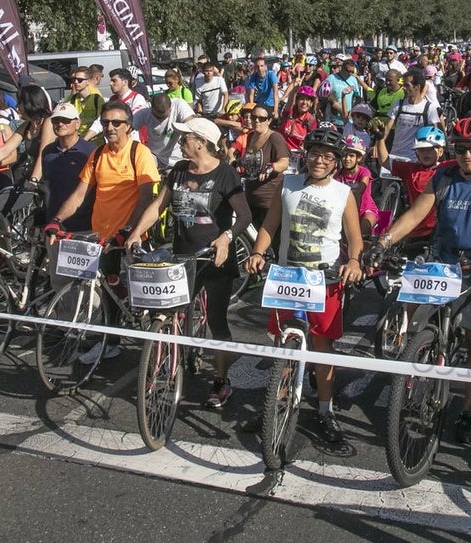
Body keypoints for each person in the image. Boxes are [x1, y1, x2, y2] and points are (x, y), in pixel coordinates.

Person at [372, 117, 471, 447]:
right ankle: (418, 365)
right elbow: (415, 214)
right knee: (420, 322)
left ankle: (467, 411)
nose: (468, 156)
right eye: (462, 149)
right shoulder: (443, 176)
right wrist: (383, 242)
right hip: (444, 263)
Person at [246, 127, 364, 443]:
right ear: (305, 155)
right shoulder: (288, 184)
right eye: (314, 154)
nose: (319, 161)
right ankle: (277, 401)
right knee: (282, 343)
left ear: (337, 162)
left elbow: (354, 238)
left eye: (327, 156)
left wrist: (353, 261)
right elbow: (270, 224)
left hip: (325, 280)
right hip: (287, 277)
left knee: (323, 348)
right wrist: (258, 251)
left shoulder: (344, 193)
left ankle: (326, 411)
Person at [126, 117, 252, 408]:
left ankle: (221, 380)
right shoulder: (180, 170)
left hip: (214, 258)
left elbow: (244, 216)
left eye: (185, 138)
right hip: (183, 257)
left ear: (202, 142)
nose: (180, 141)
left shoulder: (225, 174)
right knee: (172, 314)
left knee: (218, 322)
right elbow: (159, 206)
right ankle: (163, 368)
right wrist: (135, 234)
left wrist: (226, 237)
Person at [46, 100, 162, 363]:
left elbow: (146, 197)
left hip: (130, 238)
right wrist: (57, 220)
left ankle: (157, 342)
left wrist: (129, 230)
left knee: (142, 293)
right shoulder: (98, 154)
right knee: (109, 290)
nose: (109, 127)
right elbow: (79, 195)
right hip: (102, 236)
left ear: (128, 126)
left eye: (116, 123)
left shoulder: (139, 153)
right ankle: (110, 341)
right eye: (106, 122)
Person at [0, 84, 56, 189]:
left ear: (29, 104)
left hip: (53, 177)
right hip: (39, 177)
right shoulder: (26, 125)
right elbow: (4, 150)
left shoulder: (48, 122)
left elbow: (43, 154)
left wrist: (34, 180)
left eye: (20, 103)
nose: (17, 107)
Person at [40, 103, 95, 232]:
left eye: (65, 120)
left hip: (84, 225)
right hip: (54, 224)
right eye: (56, 120)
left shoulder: (90, 151)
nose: (60, 124)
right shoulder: (48, 152)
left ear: (77, 123)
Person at [239, 104, 290, 230]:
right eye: (254, 117)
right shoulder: (251, 136)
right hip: (250, 197)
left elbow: (284, 162)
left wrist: (272, 166)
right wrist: (239, 164)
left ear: (269, 121)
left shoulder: (275, 138)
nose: (256, 120)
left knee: (268, 243)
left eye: (261, 118)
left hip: (268, 201)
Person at [382, 69, 441, 164]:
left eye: (407, 85)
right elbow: (387, 128)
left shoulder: (429, 108)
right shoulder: (398, 104)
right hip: (394, 157)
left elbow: (435, 135)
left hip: (416, 160)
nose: (403, 88)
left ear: (417, 87)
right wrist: (379, 144)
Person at [335, 135, 380, 235]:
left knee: (364, 229)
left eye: (351, 156)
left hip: (366, 210)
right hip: (345, 211)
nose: (347, 159)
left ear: (358, 158)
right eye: (344, 155)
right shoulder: (338, 175)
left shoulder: (364, 172)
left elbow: (360, 190)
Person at [67, 66, 105, 138]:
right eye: (74, 79)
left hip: (94, 139)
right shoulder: (72, 98)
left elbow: (101, 121)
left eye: (80, 80)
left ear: (88, 81)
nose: (76, 82)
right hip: (75, 137)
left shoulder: (96, 98)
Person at [279, 85, 319, 151]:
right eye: (302, 99)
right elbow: (290, 101)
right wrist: (295, 86)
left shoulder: (311, 120)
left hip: (296, 155)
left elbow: (311, 140)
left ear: (311, 103)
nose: (304, 102)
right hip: (280, 150)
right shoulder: (289, 112)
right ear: (297, 101)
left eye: (308, 100)